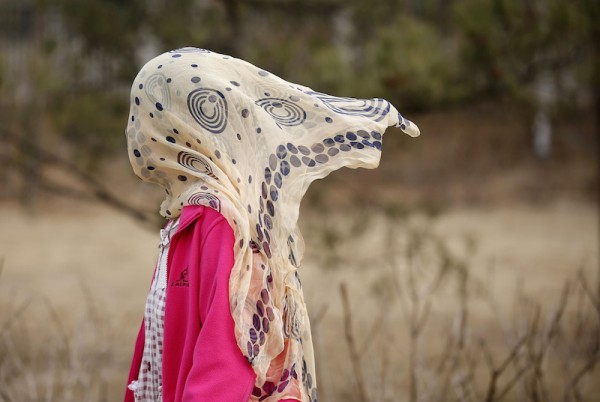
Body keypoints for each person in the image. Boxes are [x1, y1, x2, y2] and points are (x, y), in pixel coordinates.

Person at [124, 47, 419, 402]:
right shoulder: (185, 219)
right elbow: (154, 354)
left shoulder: (221, 223)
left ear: (179, 129)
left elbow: (226, 356)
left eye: (143, 116)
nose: (135, 132)